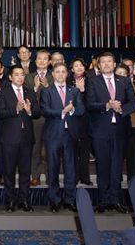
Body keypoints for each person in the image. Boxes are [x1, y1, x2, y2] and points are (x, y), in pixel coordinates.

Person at [86, 52, 135, 214]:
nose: (107, 64)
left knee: (117, 166)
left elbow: (134, 102)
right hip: (100, 130)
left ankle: (116, 200)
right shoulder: (92, 81)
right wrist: (107, 106)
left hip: (120, 130)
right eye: (103, 62)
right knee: (102, 165)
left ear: (115, 65)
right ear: (98, 65)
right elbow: (89, 104)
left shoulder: (124, 81)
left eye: (109, 61)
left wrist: (121, 109)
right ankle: (103, 200)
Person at [41, 63, 84, 213]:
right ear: (52, 74)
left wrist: (72, 111)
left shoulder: (74, 91)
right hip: (53, 135)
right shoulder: (47, 91)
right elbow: (45, 110)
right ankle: (54, 200)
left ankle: (70, 200)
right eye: (57, 72)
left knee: (70, 169)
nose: (60, 74)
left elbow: (81, 109)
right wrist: (62, 111)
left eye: (63, 72)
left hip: (70, 135)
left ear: (67, 74)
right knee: (52, 168)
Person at [0, 65, 40, 213]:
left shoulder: (29, 92)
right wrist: (15, 109)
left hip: (26, 138)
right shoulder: (4, 92)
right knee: (9, 172)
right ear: (10, 77)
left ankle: (24, 199)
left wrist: (29, 111)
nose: (20, 77)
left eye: (22, 74)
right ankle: (10, 200)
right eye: (16, 74)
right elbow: (0, 113)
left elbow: (37, 113)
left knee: (25, 171)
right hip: (9, 138)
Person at [25, 49, 52, 187]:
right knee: (35, 148)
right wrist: (35, 89)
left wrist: (47, 86)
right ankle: (35, 176)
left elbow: (58, 96)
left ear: (49, 62)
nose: (42, 61)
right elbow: (26, 97)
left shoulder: (55, 75)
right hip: (35, 119)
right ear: (35, 61)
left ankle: (50, 176)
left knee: (50, 149)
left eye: (45, 59)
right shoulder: (28, 77)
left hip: (51, 118)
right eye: (39, 59)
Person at [68, 58, 92, 186]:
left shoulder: (91, 81)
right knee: (72, 150)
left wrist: (83, 91)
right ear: (72, 69)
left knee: (85, 150)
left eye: (81, 65)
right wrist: (77, 91)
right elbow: (66, 100)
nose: (79, 68)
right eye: (76, 66)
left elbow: (92, 101)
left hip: (86, 120)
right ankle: (74, 176)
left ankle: (85, 177)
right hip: (72, 119)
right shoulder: (67, 81)